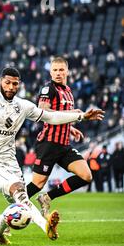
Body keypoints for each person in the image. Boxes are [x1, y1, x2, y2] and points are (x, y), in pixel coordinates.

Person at [0, 67, 104, 245]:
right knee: (19, 191)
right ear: (0, 81)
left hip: (10, 162)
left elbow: (50, 117)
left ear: (19, 85)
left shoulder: (23, 106)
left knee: (19, 202)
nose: (10, 87)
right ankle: (45, 225)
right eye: (7, 82)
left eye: (14, 84)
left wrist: (81, 117)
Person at [26, 57, 99, 216]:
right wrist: (73, 114)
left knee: (86, 175)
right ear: (50, 72)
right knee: (37, 184)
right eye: (55, 70)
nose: (58, 73)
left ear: (67, 71)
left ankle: (47, 197)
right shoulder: (48, 89)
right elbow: (43, 113)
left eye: (61, 70)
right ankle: (9, 215)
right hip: (49, 143)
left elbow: (61, 117)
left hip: (64, 144)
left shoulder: (68, 91)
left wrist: (70, 127)